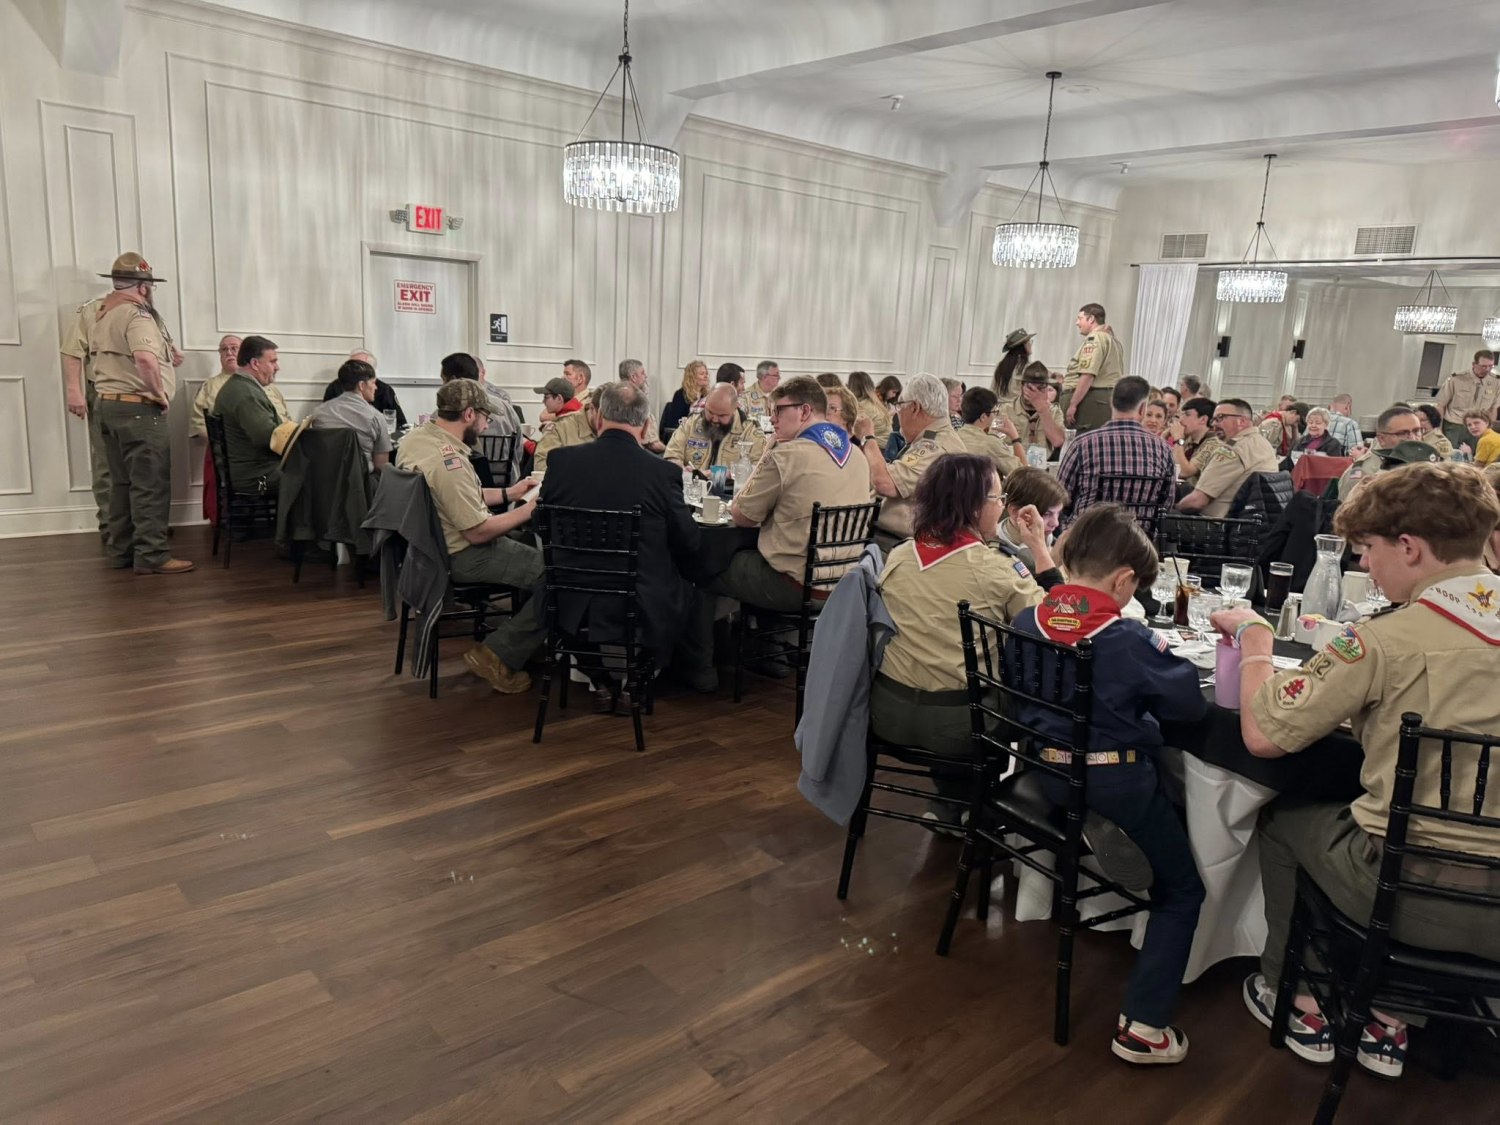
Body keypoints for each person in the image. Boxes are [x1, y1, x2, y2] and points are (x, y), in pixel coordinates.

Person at [1213, 462, 1500, 1081]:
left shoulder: (1382, 640)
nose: (1363, 565)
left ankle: (1297, 997)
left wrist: (1258, 640)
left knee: (1287, 819)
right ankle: (1391, 1013)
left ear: (1409, 547)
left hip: (1414, 895)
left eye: (1367, 549)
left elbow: (1263, 733)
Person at [1013, 504, 1208, 1064]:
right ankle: (1144, 1027)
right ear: (1124, 581)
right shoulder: (1124, 637)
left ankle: (1096, 823)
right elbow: (1189, 707)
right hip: (1114, 778)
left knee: (1140, 789)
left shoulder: (1027, 620)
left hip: (1048, 771)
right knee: (1183, 890)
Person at [872, 453, 1059, 819]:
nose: (1001, 507)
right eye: (998, 498)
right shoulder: (995, 571)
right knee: (1039, 699)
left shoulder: (898, 555)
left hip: (886, 710)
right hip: (959, 724)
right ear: (974, 507)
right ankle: (1006, 808)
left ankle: (952, 802)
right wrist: (1039, 546)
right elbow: (1060, 623)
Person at [541, 381, 715, 701]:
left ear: (598, 417)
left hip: (570, 592)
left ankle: (600, 678)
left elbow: (543, 526)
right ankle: (641, 677)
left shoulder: (561, 462)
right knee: (689, 586)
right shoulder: (661, 473)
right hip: (640, 595)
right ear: (646, 425)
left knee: (553, 591)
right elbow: (689, 540)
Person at [694, 376, 873, 675]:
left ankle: (700, 667)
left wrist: (768, 450)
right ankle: (769, 649)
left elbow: (742, 515)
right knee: (766, 555)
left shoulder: (788, 455)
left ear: (804, 411)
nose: (772, 419)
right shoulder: (856, 455)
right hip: (844, 582)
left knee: (703, 566)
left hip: (794, 585)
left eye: (778, 410)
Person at [395, 379, 542, 693]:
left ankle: (527, 643)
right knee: (558, 576)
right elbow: (477, 532)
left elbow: (457, 498)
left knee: (534, 545)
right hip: (463, 554)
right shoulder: (450, 463)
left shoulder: (417, 440)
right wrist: (529, 510)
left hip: (431, 551)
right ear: (470, 414)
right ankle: (498, 655)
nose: (487, 426)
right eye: (486, 418)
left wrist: (511, 493)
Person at [87, 253, 194, 575]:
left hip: (107, 405)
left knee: (120, 485)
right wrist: (158, 393)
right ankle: (152, 555)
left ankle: (121, 552)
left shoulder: (102, 314)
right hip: (137, 410)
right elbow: (145, 360)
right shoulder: (137, 315)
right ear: (145, 287)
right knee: (150, 484)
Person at [852, 372, 965, 547]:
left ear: (915, 408)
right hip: (888, 535)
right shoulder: (934, 438)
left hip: (895, 542)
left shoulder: (935, 447)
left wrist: (868, 437)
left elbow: (885, 484)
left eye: (900, 406)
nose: (897, 413)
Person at [1057, 376, 1173, 529]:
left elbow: (1060, 497)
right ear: (1143, 409)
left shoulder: (1082, 444)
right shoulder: (1163, 450)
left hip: (1087, 535)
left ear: (1111, 403)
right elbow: (1167, 503)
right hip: (1140, 538)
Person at [60, 286, 112, 544]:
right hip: (103, 392)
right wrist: (74, 391)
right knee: (107, 463)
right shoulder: (94, 309)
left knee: (141, 465)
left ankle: (142, 527)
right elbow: (72, 350)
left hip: (142, 397)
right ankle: (112, 527)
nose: (145, 289)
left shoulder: (148, 312)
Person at [1177, 398, 1279, 517]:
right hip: (1251, 520)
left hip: (1213, 522)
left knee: (1161, 516)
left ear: (1241, 421)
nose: (1214, 424)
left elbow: (1197, 502)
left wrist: (1174, 508)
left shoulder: (1233, 450)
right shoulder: (1263, 443)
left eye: (1220, 418)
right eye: (1214, 419)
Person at [214, 336, 289, 494]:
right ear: (255, 363)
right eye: (273, 362)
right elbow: (269, 439)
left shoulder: (240, 386)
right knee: (319, 472)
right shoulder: (245, 393)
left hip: (252, 472)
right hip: (257, 478)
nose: (277, 367)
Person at [307, 358, 392, 471]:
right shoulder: (375, 417)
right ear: (362, 385)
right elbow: (381, 465)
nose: (376, 387)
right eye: (373, 383)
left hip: (324, 479)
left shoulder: (318, 412)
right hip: (362, 480)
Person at [664, 383, 765, 474]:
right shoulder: (691, 423)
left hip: (731, 487)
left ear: (735, 409)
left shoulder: (750, 430)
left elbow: (761, 468)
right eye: (710, 412)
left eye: (722, 415)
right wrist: (681, 469)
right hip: (692, 484)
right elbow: (672, 455)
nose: (715, 419)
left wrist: (728, 474)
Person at [1335, 404, 1424, 499]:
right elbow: (1352, 507)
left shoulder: (1424, 462)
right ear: (1382, 439)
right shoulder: (1364, 472)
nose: (1413, 438)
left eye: (1417, 431)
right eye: (1402, 433)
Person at [1064, 303, 1127, 432]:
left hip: (1092, 402)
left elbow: (1088, 374)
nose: (1077, 323)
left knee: (1086, 439)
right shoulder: (1113, 340)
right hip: (1104, 400)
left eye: (1080, 318)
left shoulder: (1095, 338)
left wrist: (1073, 404)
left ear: (1091, 319)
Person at [995, 467, 1068, 572]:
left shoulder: (1048, 537)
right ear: (1015, 512)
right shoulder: (996, 554)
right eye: (1047, 514)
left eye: (1058, 513)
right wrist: (1054, 561)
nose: (1055, 523)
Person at [322, 349, 405, 428]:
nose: (352, 370)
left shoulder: (384, 390)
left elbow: (400, 423)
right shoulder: (334, 387)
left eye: (358, 367)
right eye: (350, 365)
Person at [1434, 349, 1498, 450]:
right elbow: (1441, 405)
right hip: (1455, 426)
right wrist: (1438, 429)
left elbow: (1493, 408)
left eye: (1491, 366)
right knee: (1450, 455)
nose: (1487, 369)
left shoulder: (1496, 382)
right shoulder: (1457, 379)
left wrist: (1490, 430)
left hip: (1480, 427)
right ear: (1474, 364)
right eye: (1483, 366)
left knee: (1475, 456)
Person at [1000, 361, 1067, 454]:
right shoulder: (1005, 409)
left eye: (1040, 388)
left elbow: (1058, 441)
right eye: (1030, 388)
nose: (1035, 393)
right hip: (1014, 461)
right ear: (1021, 387)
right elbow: (995, 443)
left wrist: (1042, 409)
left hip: (1043, 462)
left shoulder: (1054, 411)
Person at [955, 387, 1022, 477]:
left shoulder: (954, 436)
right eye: (995, 411)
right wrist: (1015, 438)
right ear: (983, 417)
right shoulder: (990, 443)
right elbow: (1023, 474)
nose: (996, 415)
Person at [1168, 396, 1222, 484]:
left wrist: (1178, 439)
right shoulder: (1189, 439)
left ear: (1203, 419)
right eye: (1181, 414)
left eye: (1187, 414)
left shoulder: (1213, 443)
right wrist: (1164, 436)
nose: (1181, 419)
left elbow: (1183, 472)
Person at [660, 359, 709, 440]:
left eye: (706, 373)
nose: (706, 376)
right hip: (684, 435)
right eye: (702, 374)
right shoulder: (680, 395)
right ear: (692, 377)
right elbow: (676, 422)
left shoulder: (708, 395)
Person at [538, 359, 592, 424]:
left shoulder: (590, 402)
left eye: (568, 374)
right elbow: (543, 416)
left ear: (580, 378)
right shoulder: (565, 397)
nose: (563, 377)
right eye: (564, 374)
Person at [992, 328, 1035, 409]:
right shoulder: (1028, 367)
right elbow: (1030, 396)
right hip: (1017, 411)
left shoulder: (1001, 365)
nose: (1030, 344)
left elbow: (993, 391)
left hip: (999, 409)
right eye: (1029, 342)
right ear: (1023, 346)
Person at [847, 370, 891, 442]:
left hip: (876, 444)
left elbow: (853, 433)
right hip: (887, 444)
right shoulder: (876, 403)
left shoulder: (862, 407)